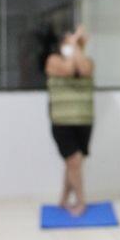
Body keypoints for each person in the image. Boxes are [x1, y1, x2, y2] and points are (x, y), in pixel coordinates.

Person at [45, 25, 94, 217]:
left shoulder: (86, 60)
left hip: (84, 120)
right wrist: (75, 46)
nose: (71, 45)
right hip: (62, 121)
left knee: (73, 162)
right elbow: (68, 69)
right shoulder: (53, 60)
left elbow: (83, 69)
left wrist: (77, 48)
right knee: (74, 160)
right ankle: (81, 202)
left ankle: (63, 199)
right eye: (67, 41)